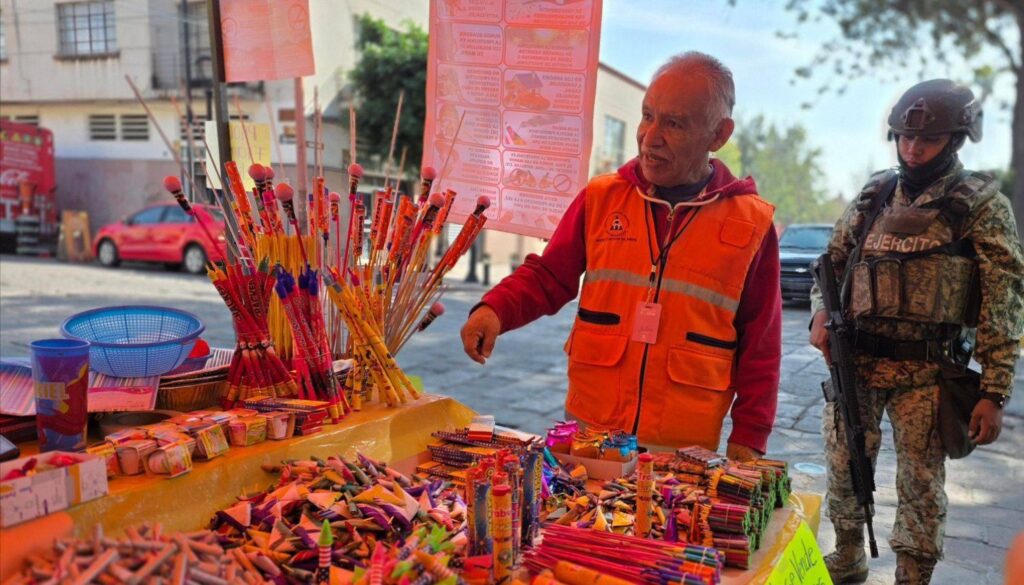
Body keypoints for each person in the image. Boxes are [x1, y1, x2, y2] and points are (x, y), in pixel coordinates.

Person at [460, 52, 782, 461]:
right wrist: (495, 309)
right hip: (590, 441)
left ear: (719, 134)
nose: (651, 137)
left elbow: (763, 344)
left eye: (674, 124)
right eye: (648, 116)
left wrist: (749, 439)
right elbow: (549, 276)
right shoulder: (601, 197)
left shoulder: (750, 222)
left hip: (680, 454)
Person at [810, 79, 1024, 584]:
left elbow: (1004, 297)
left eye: (925, 140)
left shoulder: (981, 204)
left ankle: (912, 573)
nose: (913, 148)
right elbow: (834, 262)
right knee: (843, 465)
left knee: (921, 485)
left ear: (956, 140)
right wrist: (821, 312)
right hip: (858, 363)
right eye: (904, 138)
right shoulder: (875, 193)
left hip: (928, 373)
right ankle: (847, 553)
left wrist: (994, 390)